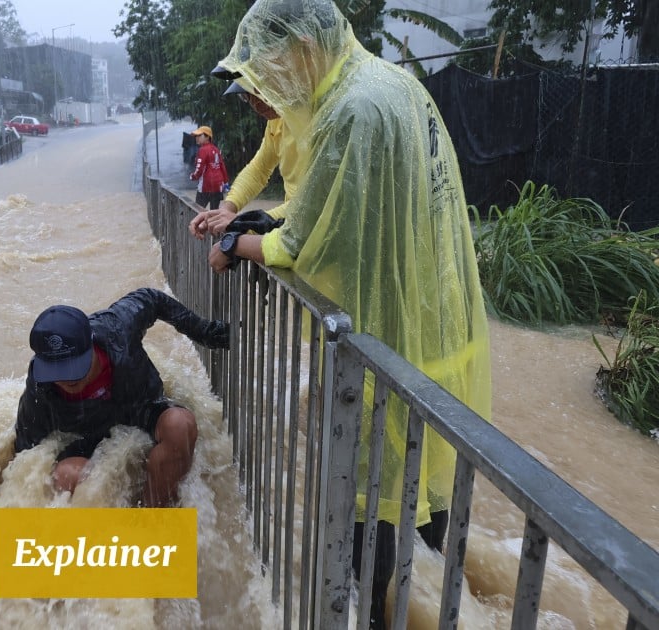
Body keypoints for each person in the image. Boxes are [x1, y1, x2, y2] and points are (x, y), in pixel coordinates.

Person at [204, 1, 492, 627]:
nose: (266, 94)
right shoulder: (391, 86)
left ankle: (369, 615)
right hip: (438, 317)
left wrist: (236, 242)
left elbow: (302, 242)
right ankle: (450, 604)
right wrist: (254, 216)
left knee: (373, 496)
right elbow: (334, 207)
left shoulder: (351, 110)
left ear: (305, 46)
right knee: (429, 470)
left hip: (388, 331)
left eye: (269, 70)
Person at [14, 288, 230, 507]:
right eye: (55, 371)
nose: (65, 380)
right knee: (65, 475)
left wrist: (204, 331)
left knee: (180, 425)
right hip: (88, 438)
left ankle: (153, 516)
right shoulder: (40, 385)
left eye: (71, 367)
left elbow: (152, 299)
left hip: (142, 409)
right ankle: (114, 535)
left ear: (90, 345)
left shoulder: (118, 327)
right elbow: (25, 452)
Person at [189, 85, 302, 238]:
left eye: (258, 90)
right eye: (246, 96)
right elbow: (259, 169)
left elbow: (311, 204)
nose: (255, 104)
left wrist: (243, 224)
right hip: (295, 232)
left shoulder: (318, 117)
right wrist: (227, 209)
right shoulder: (277, 121)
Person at [188, 126, 229, 209]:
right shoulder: (216, 149)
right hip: (217, 186)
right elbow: (222, 167)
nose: (197, 138)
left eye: (199, 136)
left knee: (197, 211)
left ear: (207, 137)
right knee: (214, 213)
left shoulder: (202, 150)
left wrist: (193, 176)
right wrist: (225, 182)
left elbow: (199, 169)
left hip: (206, 186)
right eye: (196, 136)